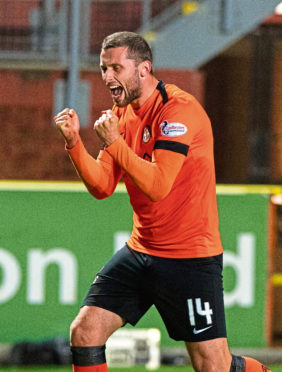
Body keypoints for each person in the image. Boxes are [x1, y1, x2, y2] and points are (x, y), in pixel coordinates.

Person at [54, 31, 271, 372]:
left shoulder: (178, 110)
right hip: (142, 252)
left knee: (214, 366)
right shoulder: (121, 114)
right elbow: (102, 187)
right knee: (85, 331)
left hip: (189, 258)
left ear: (143, 69)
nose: (108, 77)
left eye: (116, 68)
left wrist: (115, 144)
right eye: (102, 68)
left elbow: (158, 186)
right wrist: (74, 145)